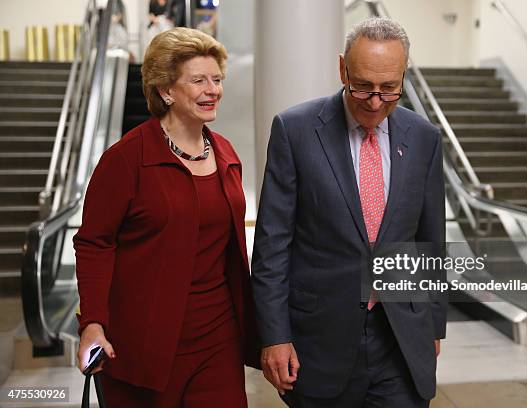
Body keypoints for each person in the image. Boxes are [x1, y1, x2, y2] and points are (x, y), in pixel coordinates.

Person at [251, 17, 447, 407]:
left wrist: (432, 325)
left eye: (389, 88)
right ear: (342, 68)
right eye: (362, 86)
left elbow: (429, 239)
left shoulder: (424, 137)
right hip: (319, 340)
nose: (375, 101)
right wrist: (274, 335)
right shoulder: (295, 130)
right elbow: (273, 244)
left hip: (401, 339)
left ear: (403, 75)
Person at [75, 27, 259, 407]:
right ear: (165, 90)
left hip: (217, 336)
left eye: (217, 79)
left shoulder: (225, 153)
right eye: (198, 81)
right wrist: (92, 323)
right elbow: (94, 242)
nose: (213, 90)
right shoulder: (127, 159)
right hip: (143, 342)